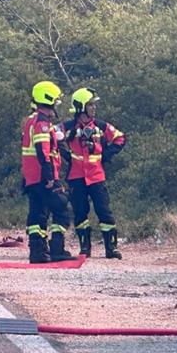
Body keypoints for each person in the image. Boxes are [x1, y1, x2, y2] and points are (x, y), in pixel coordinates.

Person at [59, 87, 126, 258]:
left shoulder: (100, 126)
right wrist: (65, 153)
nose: (94, 108)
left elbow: (120, 138)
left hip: (96, 176)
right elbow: (50, 137)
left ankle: (111, 248)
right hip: (76, 176)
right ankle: (85, 249)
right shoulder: (67, 127)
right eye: (90, 105)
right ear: (81, 107)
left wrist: (105, 154)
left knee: (104, 211)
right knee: (80, 212)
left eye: (94, 105)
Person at [21, 80, 75, 263]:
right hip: (43, 176)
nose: (56, 106)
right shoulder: (42, 123)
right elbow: (42, 151)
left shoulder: (31, 120)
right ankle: (57, 249)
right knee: (61, 209)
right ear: (48, 100)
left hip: (31, 177)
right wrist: (50, 176)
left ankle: (37, 252)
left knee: (38, 212)